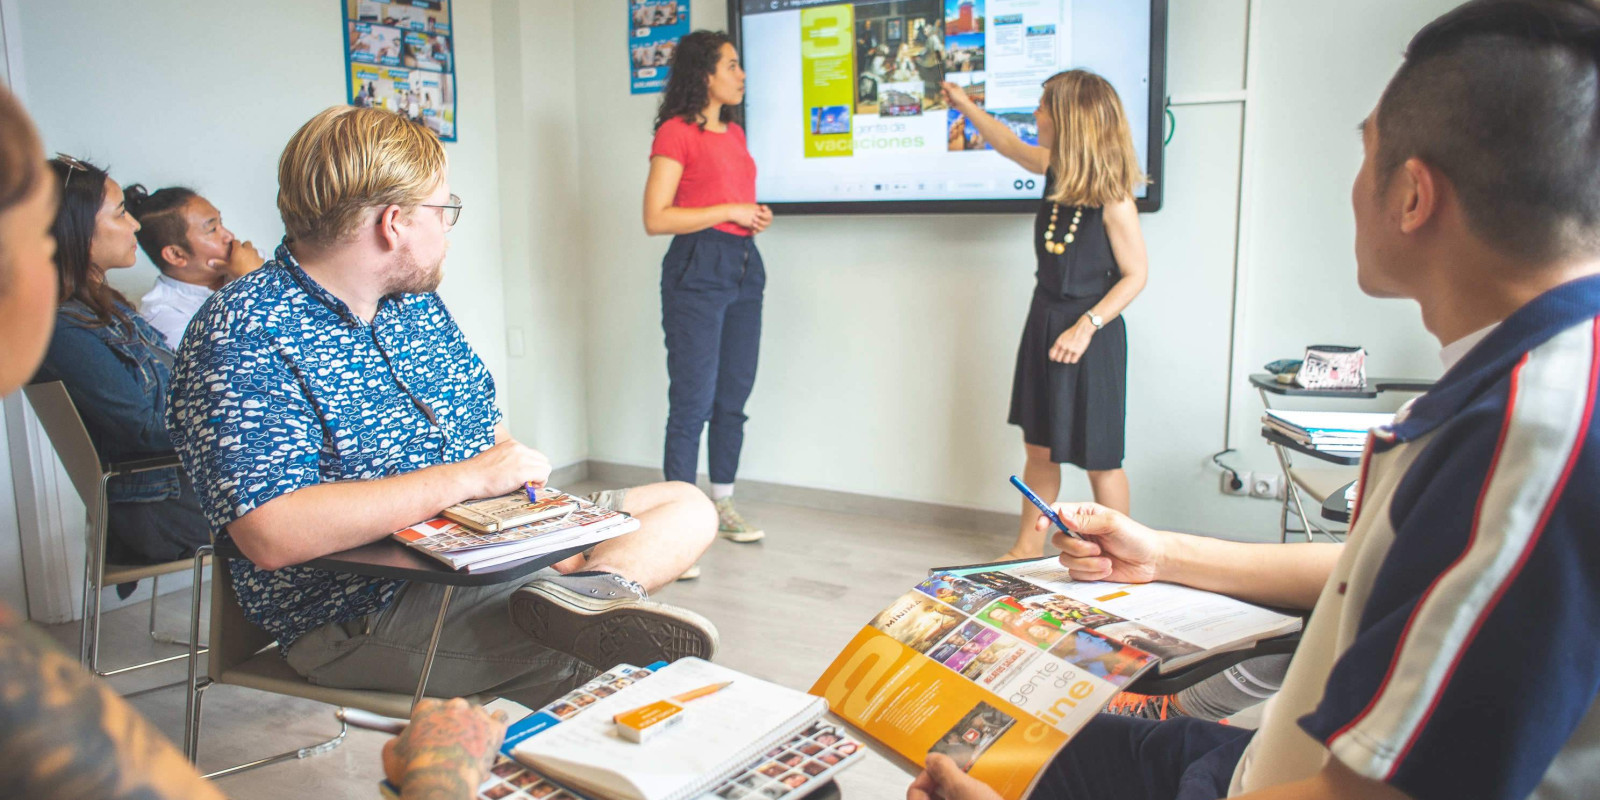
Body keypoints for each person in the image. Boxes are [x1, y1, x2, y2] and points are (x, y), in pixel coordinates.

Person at [910, 3, 1600, 800]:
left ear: (1412, 197)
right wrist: (1164, 556)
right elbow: (1377, 568)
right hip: (1255, 758)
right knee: (975, 732)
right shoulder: (1509, 385)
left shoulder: (1533, 443)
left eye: (1362, 152)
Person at [0, 83, 502, 800]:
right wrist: (438, 773)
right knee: (618, 637)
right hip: (316, 579)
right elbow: (255, 511)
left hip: (431, 561)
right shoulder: (234, 329)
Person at [168, 105, 718, 710]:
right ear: (395, 223)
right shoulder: (244, 331)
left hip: (481, 546)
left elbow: (491, 441)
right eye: (444, 209)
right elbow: (272, 533)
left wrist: (543, 533)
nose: (450, 228)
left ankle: (586, 595)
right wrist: (468, 481)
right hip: (368, 610)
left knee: (685, 506)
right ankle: (579, 615)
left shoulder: (413, 307)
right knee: (617, 671)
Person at [944, 70, 1149, 557]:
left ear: (1069, 119)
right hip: (1045, 321)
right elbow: (1010, 145)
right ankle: (1024, 551)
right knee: (1038, 448)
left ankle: (1127, 557)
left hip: (1091, 334)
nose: (1035, 113)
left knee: (1101, 460)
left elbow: (1136, 275)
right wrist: (964, 106)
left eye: (1042, 106)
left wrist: (1087, 325)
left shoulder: (1114, 195)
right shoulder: (1057, 170)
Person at [32, 157, 212, 569]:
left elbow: (178, 388)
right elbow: (146, 432)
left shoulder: (104, 308)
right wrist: (239, 421)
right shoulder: (64, 328)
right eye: (120, 213)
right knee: (316, 497)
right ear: (74, 230)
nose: (134, 225)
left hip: (179, 489)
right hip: (158, 507)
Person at [643, 30, 772, 548]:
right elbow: (655, 218)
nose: (741, 75)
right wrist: (730, 211)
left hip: (744, 265)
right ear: (705, 74)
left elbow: (729, 200)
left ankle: (721, 503)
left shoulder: (734, 135)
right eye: (732, 65)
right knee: (692, 401)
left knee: (732, 397)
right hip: (697, 268)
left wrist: (751, 217)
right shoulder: (675, 133)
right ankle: (678, 524)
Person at [123, 184, 264, 348]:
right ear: (176, 255)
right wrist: (254, 284)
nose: (229, 236)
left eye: (221, 223)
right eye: (212, 229)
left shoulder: (249, 259)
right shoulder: (162, 317)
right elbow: (238, 361)